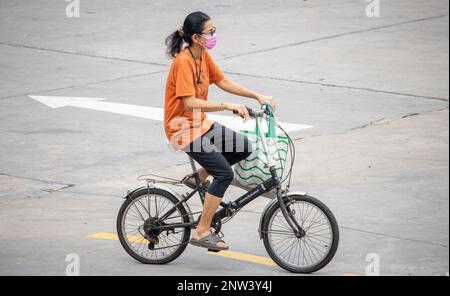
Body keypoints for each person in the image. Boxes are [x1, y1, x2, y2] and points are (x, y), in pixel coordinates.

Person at [164, 11, 276, 251]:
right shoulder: (183, 62)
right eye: (210, 32)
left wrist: (257, 95)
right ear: (196, 37)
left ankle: (199, 177)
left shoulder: (202, 55)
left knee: (243, 147)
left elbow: (222, 81)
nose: (214, 35)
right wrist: (227, 106)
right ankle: (202, 231)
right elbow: (189, 103)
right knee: (224, 173)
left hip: (200, 123)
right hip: (182, 128)